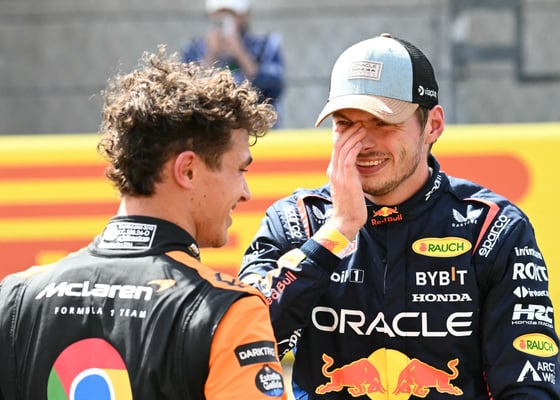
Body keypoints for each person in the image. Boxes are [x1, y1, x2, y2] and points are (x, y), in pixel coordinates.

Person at [238, 33, 560, 399]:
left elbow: (529, 384)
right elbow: (244, 344)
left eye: (382, 123)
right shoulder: (297, 221)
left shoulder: (492, 228)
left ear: (433, 125)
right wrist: (336, 233)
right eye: (345, 124)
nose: (363, 144)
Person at [0, 47, 286, 400]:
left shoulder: (15, 297)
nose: (245, 192)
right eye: (240, 170)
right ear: (188, 170)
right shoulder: (227, 313)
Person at [182, 0, 285, 127]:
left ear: (243, 16)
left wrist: (240, 52)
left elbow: (274, 87)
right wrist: (210, 56)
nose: (223, 20)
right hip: (211, 128)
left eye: (230, 14)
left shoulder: (265, 45)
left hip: (260, 126)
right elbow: (186, 93)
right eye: (219, 14)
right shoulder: (194, 48)